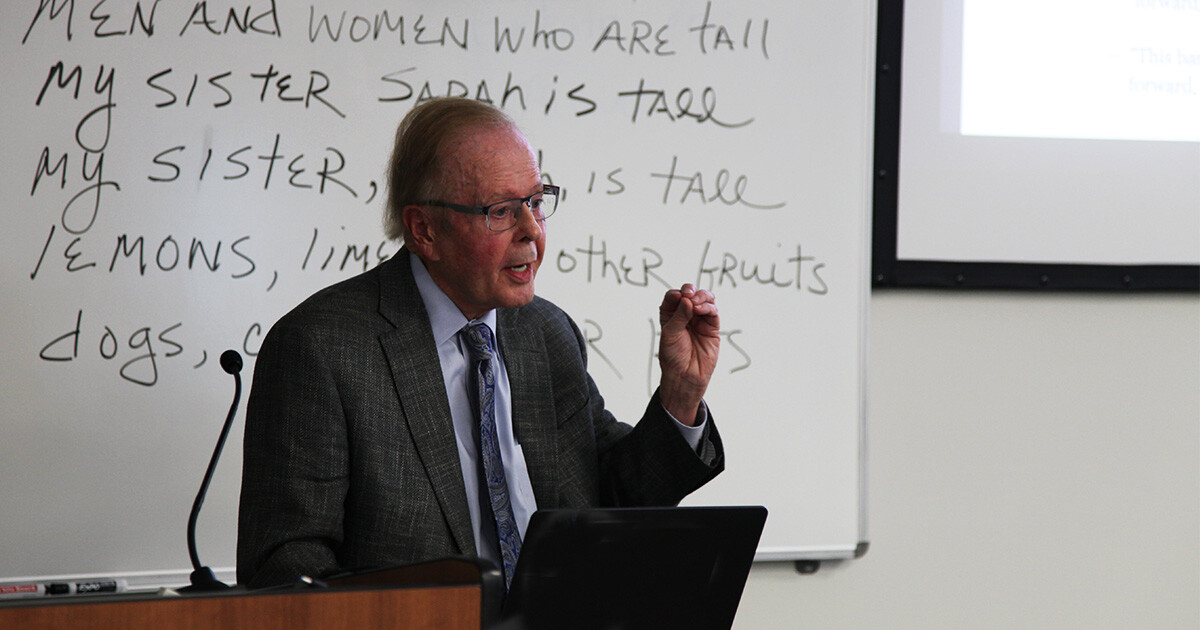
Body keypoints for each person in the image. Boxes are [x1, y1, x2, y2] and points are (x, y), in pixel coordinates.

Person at [236, 97, 724, 589]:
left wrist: (681, 394)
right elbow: (285, 564)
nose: (532, 231)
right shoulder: (322, 349)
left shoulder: (546, 333)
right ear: (424, 230)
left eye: (536, 202)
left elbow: (616, 498)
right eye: (501, 211)